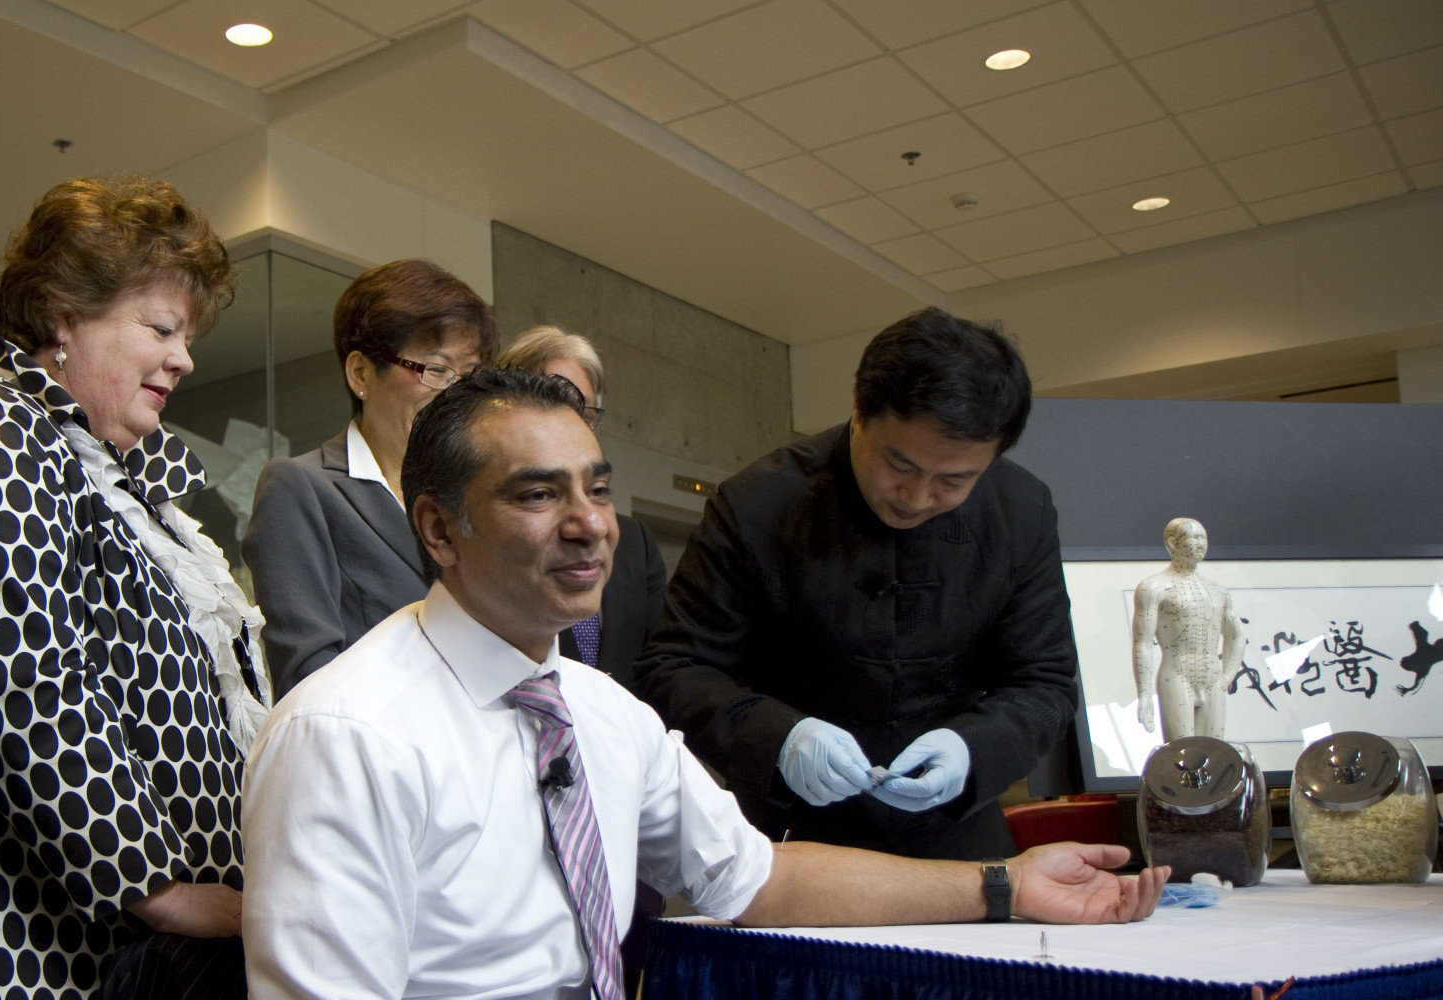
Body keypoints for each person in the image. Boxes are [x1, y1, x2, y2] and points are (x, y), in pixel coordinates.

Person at [241, 367, 1165, 1000]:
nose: (589, 526)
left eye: (597, 490)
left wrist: (1004, 886)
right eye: (535, 495)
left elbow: (756, 881)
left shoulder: (602, 713)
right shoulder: (346, 734)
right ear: (439, 532)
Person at [0, 176, 271, 1000]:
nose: (185, 355)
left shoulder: (124, 474)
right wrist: (164, 892)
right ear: (64, 313)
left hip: (161, 955)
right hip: (44, 945)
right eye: (161, 327)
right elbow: (22, 689)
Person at [637, 307, 1078, 860]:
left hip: (957, 838)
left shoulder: (1022, 511)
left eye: (953, 480)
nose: (916, 498)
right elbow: (673, 667)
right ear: (857, 413)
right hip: (791, 835)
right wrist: (780, 738)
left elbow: (1046, 682)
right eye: (899, 464)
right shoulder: (757, 504)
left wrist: (972, 749)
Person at [241, 259, 496, 696]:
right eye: (436, 370)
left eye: (469, 375)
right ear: (360, 373)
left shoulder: (472, 497)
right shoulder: (301, 487)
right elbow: (308, 675)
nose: (454, 393)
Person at [493, 326, 667, 691]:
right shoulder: (496, 535)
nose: (572, 424)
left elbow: (660, 663)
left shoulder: (632, 540)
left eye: (584, 412)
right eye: (556, 404)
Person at [1132, 518, 1244, 740]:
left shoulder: (1218, 590)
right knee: (1181, 754)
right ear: (1173, 543)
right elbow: (1142, 642)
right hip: (1177, 674)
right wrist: (1144, 694)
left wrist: (1226, 677)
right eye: (1194, 538)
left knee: (1214, 755)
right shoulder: (1154, 587)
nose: (1201, 543)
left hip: (1212, 677)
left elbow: (1237, 636)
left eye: (1203, 537)